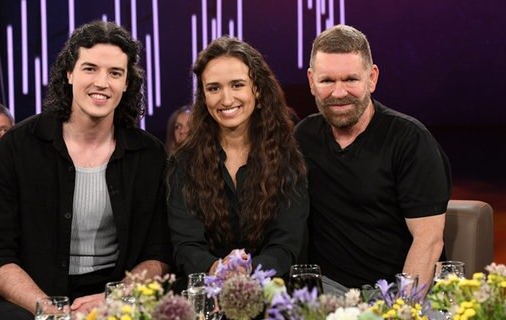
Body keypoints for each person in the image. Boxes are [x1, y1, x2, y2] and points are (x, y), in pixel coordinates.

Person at [0, 21, 172, 319]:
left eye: (115, 73)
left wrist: (114, 299)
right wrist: (51, 309)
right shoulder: (17, 147)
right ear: (69, 73)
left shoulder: (149, 154)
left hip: (115, 292)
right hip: (30, 297)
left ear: (127, 83)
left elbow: (158, 253)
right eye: (90, 68)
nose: (102, 82)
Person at [295, 24, 451, 293]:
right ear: (311, 82)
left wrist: (402, 309)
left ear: (372, 78)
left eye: (351, 79)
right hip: (329, 292)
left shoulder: (410, 139)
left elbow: (429, 240)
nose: (339, 92)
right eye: (327, 81)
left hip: (398, 288)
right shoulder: (303, 137)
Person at [167, 36, 309, 281]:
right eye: (214, 88)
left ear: (258, 90)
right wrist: (217, 270)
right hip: (206, 294)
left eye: (237, 85)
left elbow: (286, 244)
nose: (226, 99)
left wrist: (248, 271)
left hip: (272, 294)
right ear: (203, 96)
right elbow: (186, 245)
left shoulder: (288, 158)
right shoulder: (184, 162)